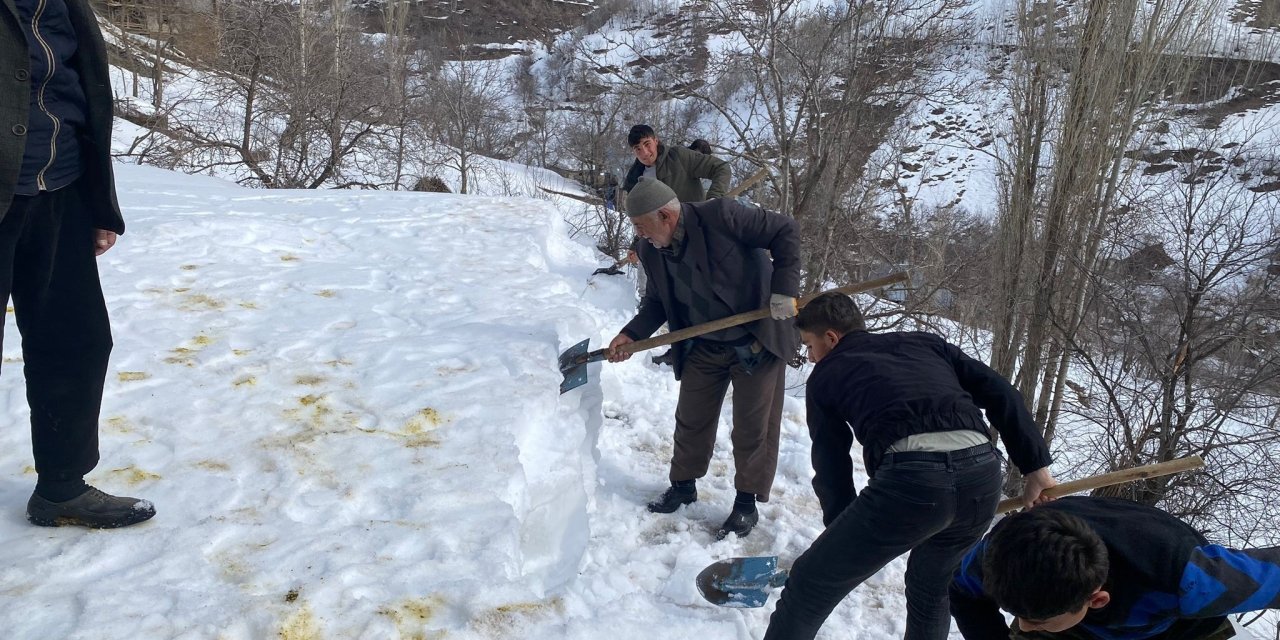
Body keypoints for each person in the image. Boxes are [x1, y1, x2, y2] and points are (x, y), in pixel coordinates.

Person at [763, 292, 1057, 640]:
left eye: (809, 345)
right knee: (931, 586)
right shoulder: (926, 343)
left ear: (831, 337)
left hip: (914, 483)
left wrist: (840, 533)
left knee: (809, 585)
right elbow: (1002, 393)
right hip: (982, 478)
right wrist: (1036, 468)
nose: (810, 357)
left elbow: (831, 461)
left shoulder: (827, 374)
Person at [2, 0, 156, 528]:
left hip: (59, 193)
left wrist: (98, 202)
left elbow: (84, 98)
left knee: (76, 341)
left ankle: (62, 488)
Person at [606, 177, 799, 540]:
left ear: (665, 215)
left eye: (642, 227)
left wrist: (784, 291)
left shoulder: (721, 216)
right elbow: (657, 303)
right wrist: (631, 335)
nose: (640, 235)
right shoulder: (650, 251)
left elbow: (785, 230)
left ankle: (745, 502)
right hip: (704, 344)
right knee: (691, 419)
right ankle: (683, 486)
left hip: (755, 339)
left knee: (753, 427)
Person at [951, 496, 1280, 640]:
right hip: (1076, 620)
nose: (1021, 626)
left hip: (1174, 631)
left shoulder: (1188, 581)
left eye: (1036, 620)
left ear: (1096, 600)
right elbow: (961, 591)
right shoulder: (1000, 551)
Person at [621, 124, 730, 210]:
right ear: (633, 152)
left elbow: (721, 168)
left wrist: (714, 198)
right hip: (663, 236)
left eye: (647, 144)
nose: (645, 152)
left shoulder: (678, 157)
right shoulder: (634, 179)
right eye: (638, 148)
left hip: (696, 228)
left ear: (656, 141)